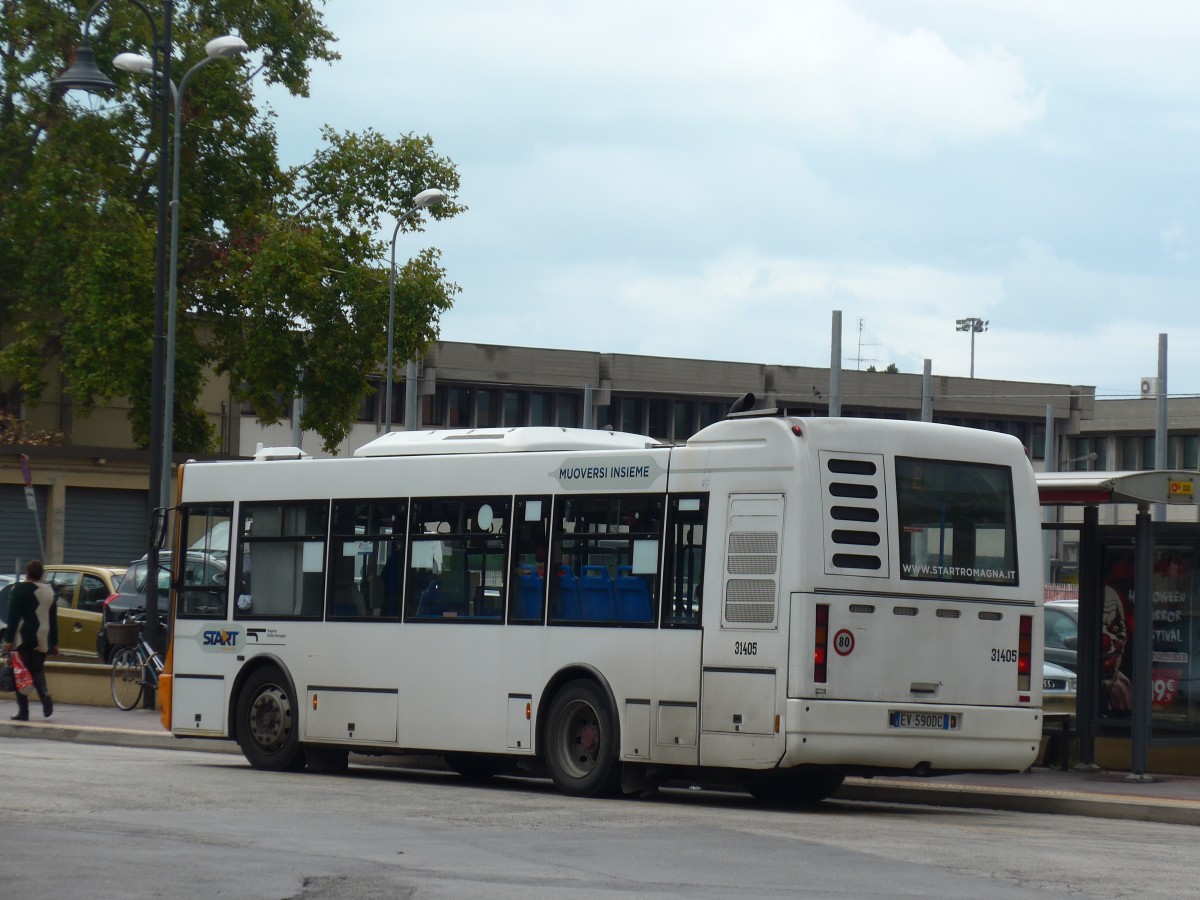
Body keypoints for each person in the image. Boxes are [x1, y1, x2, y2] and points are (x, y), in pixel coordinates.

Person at [2, 559, 58, 721]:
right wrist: (54, 643)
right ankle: (44, 694)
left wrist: (8, 640)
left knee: (21, 673)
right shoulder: (49, 592)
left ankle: (23, 711)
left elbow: (13, 617)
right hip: (42, 637)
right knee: (37, 670)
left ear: (27, 573)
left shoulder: (19, 589)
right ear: (41, 574)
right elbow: (53, 620)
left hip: (23, 638)